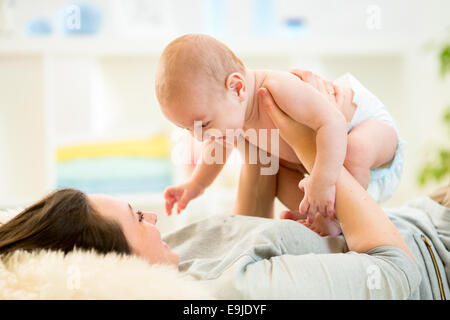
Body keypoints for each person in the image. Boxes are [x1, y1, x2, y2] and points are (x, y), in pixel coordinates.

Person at [0, 84, 448, 299]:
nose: (154, 218)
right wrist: (310, 142)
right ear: (118, 263)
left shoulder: (173, 256)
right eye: (138, 219)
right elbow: (397, 274)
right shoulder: (230, 296)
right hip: (435, 254)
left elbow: (244, 228)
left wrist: (258, 126)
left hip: (420, 216)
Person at [156, 34, 404, 237]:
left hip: (372, 139)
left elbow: (334, 123)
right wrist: (196, 185)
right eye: (188, 129)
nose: (199, 137)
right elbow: (218, 148)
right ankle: (322, 215)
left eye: (203, 124)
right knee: (276, 174)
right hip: (330, 170)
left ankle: (344, 221)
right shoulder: (233, 113)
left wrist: (323, 180)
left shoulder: (278, 89)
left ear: (237, 87)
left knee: (354, 150)